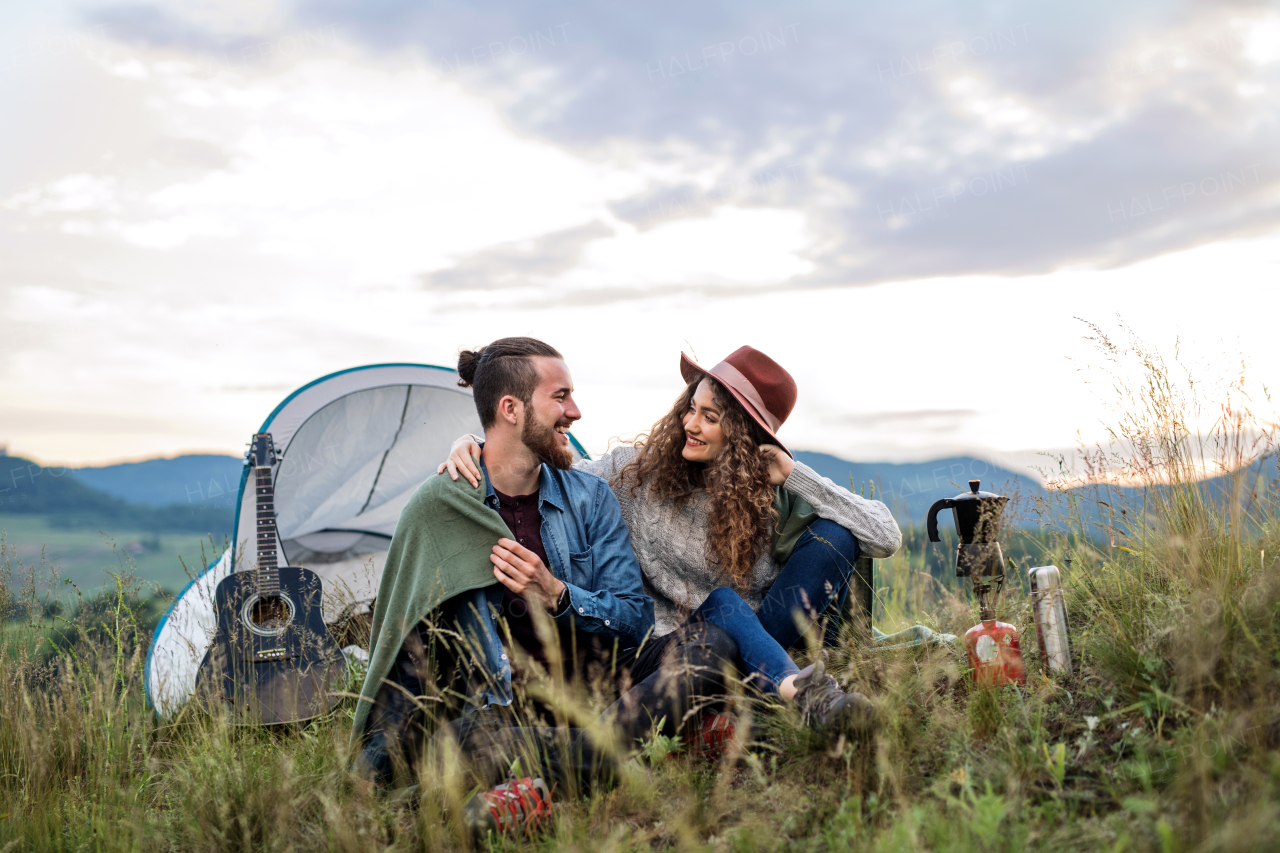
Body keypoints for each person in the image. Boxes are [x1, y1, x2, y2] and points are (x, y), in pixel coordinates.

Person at [353, 337, 750, 836]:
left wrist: (558, 595)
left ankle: (550, 780)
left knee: (712, 643)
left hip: (607, 692)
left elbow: (634, 618)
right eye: (560, 397)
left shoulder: (589, 496)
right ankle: (625, 751)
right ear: (511, 409)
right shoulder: (440, 506)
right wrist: (378, 765)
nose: (575, 412)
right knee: (451, 748)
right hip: (509, 713)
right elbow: (404, 647)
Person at [441, 345, 904, 731]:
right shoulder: (634, 473)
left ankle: (769, 689)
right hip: (681, 651)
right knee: (723, 604)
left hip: (765, 638)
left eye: (710, 417)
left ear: (744, 435)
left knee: (836, 534)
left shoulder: (774, 494)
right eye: (691, 408)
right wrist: (478, 442)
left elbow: (883, 536)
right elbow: (539, 462)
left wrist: (795, 475)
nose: (690, 423)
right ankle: (797, 695)